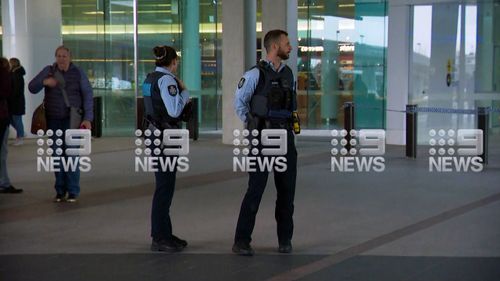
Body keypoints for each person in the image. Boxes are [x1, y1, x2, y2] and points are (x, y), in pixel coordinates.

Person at [233, 29, 298, 256]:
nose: (290, 47)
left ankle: (285, 239)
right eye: (286, 44)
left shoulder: (289, 74)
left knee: (287, 192)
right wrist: (254, 127)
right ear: (274, 47)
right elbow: (239, 103)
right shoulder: (254, 75)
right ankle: (241, 241)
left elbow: (293, 106)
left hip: (285, 139)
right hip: (262, 139)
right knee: (256, 190)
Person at [28, 46, 93, 203]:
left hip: (73, 119)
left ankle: (72, 191)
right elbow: (31, 87)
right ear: (55, 57)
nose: (61, 59)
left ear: (70, 57)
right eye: (58, 56)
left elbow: (87, 94)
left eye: (64, 56)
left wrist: (88, 118)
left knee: (71, 154)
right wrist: (44, 81)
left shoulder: (78, 73)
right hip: (53, 119)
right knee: (57, 155)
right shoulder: (48, 71)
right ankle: (60, 190)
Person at [142, 45, 190, 252]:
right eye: (176, 61)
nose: (177, 65)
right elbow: (174, 109)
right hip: (165, 137)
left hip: (154, 133)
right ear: (172, 62)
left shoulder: (149, 78)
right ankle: (160, 236)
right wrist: (185, 92)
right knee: (165, 187)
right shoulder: (168, 80)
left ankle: (165, 232)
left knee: (164, 185)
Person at [0, 57, 22, 193]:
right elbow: (8, 93)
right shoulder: (5, 75)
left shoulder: (12, 75)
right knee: (2, 151)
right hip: (2, 117)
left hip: (4, 115)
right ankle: (4, 182)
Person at [8, 58, 26, 146]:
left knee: (16, 119)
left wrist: (10, 97)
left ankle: (20, 137)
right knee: (12, 119)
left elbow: (16, 89)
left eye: (9, 63)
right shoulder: (14, 74)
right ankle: (21, 133)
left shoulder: (17, 75)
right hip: (15, 101)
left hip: (16, 102)